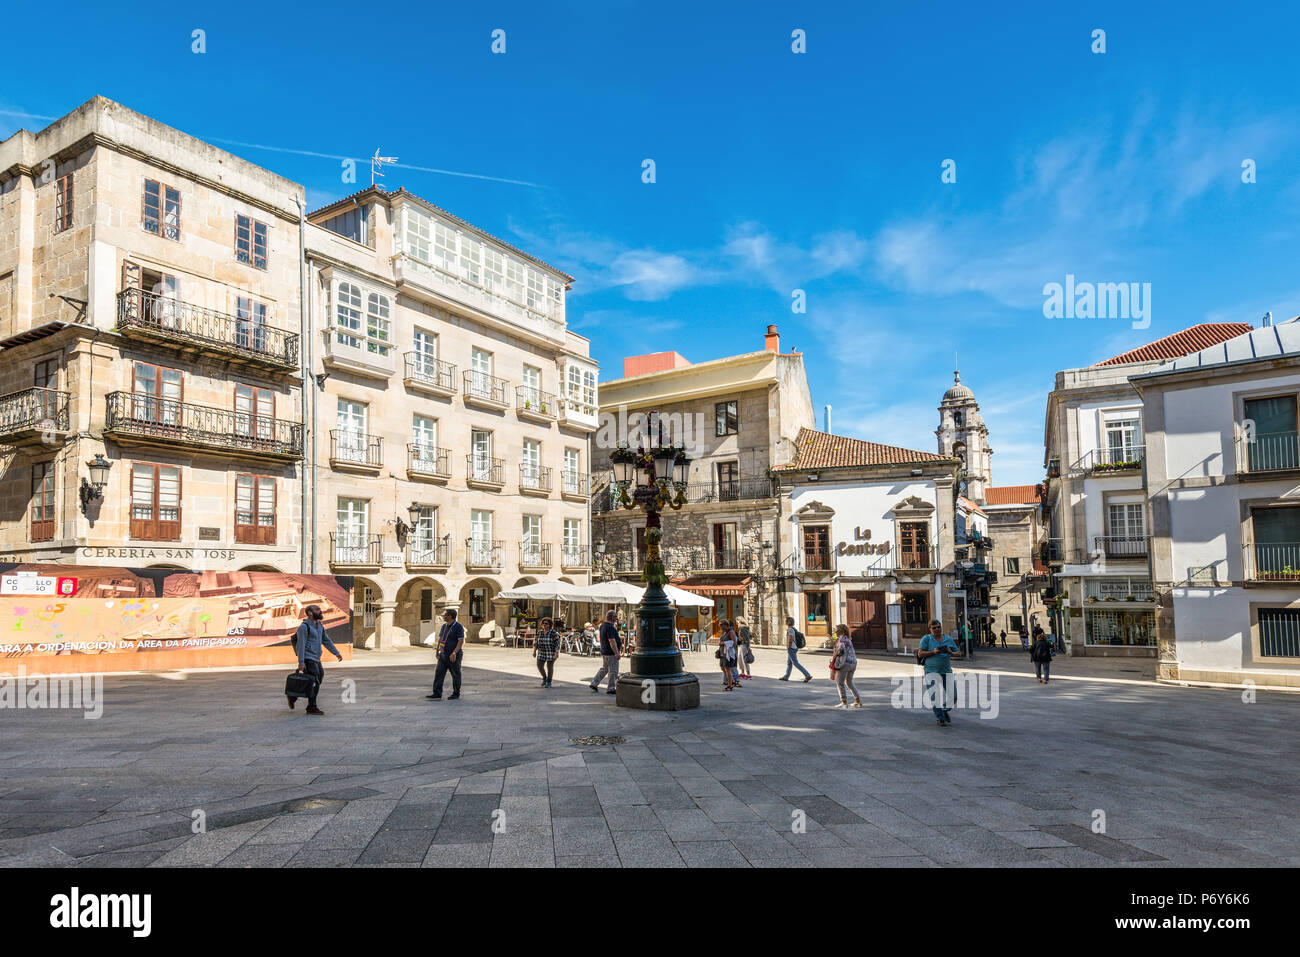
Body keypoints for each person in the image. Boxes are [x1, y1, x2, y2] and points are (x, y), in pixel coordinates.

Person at [290, 604, 342, 716]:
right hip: (308, 658)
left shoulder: (319, 626)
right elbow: (301, 645)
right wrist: (301, 662)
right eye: (317, 609)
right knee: (315, 682)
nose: (320, 611)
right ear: (309, 613)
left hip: (316, 658)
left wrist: (336, 653)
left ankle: (293, 695)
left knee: (317, 679)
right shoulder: (304, 627)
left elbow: (326, 641)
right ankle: (311, 707)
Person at [918, 619, 959, 726]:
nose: (937, 629)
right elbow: (920, 653)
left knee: (953, 696)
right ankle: (940, 718)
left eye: (938, 627)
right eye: (934, 628)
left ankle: (944, 710)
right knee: (934, 697)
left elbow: (958, 653)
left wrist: (951, 652)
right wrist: (933, 652)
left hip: (946, 672)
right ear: (930, 629)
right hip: (931, 671)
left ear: (941, 627)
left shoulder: (949, 639)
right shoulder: (927, 639)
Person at [427, 609, 465, 700]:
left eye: (446, 615)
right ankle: (437, 692)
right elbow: (441, 639)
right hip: (443, 654)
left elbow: (460, 641)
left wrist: (454, 652)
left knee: (455, 674)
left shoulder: (458, 627)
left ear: (450, 616)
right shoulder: (444, 626)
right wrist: (437, 651)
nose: (444, 616)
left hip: (453, 655)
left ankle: (456, 693)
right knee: (439, 673)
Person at [590, 609, 621, 695]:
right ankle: (611, 688)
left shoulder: (603, 625)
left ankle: (594, 683)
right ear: (611, 617)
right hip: (611, 652)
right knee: (613, 670)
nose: (616, 618)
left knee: (605, 669)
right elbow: (612, 640)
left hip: (605, 651)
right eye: (615, 617)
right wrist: (616, 653)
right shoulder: (610, 627)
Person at [830, 623, 861, 709]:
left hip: (845, 664)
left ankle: (844, 702)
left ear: (841, 631)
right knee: (849, 682)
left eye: (836, 630)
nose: (835, 631)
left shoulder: (842, 640)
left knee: (840, 682)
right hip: (853, 663)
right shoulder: (847, 639)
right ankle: (857, 701)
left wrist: (835, 661)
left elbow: (841, 652)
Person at [780, 616, 813, 682]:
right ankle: (786, 676)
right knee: (789, 663)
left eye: (786, 621)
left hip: (791, 648)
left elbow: (790, 639)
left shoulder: (790, 629)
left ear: (787, 622)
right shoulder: (793, 628)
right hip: (793, 648)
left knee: (795, 663)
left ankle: (807, 675)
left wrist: (788, 647)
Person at [534, 616, 560, 688]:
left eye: (546, 623)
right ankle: (545, 678)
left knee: (549, 667)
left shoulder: (553, 633)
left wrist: (556, 652)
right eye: (543, 623)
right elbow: (536, 642)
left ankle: (549, 681)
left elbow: (557, 643)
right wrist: (534, 651)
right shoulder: (540, 632)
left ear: (550, 625)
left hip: (551, 652)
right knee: (539, 665)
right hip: (542, 652)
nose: (544, 625)